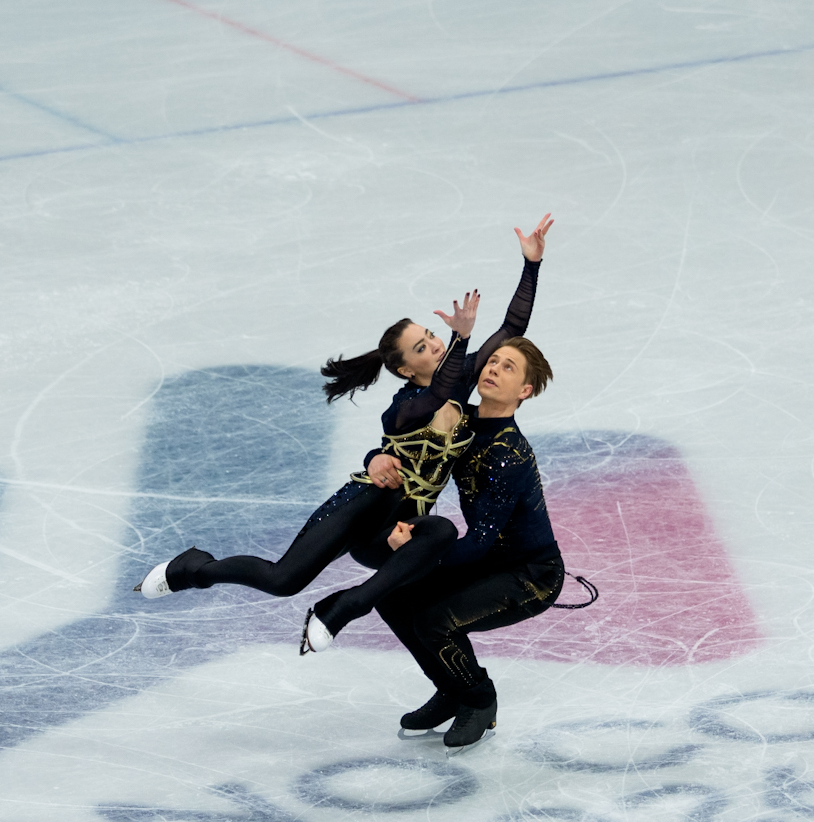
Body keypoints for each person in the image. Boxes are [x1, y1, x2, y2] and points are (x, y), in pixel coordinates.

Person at [132, 217, 554, 656]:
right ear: (406, 370)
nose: (435, 346)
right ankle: (193, 569)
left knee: (441, 533)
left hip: (397, 526)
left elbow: (511, 327)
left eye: (431, 336)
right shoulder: (406, 407)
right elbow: (438, 394)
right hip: (364, 507)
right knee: (282, 580)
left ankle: (344, 608)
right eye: (422, 347)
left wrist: (532, 265)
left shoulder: (462, 382)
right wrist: (459, 338)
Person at [376, 336, 564, 749]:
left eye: (508, 367)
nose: (493, 368)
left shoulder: (508, 453)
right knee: (391, 596)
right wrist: (376, 457)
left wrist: (417, 556)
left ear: (525, 391)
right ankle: (451, 689)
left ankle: (478, 699)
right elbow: (405, 444)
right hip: (489, 559)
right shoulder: (461, 421)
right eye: (493, 360)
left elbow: (479, 542)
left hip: (530, 575)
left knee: (434, 621)